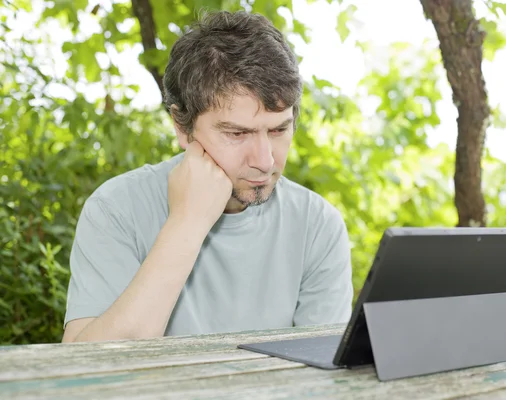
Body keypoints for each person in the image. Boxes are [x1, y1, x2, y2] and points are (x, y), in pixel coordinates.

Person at [61, 10, 353, 343]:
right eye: (237, 134)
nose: (264, 161)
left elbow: (319, 379)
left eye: (278, 130)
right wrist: (187, 222)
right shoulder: (115, 209)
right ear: (182, 127)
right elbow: (90, 370)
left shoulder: (317, 226)